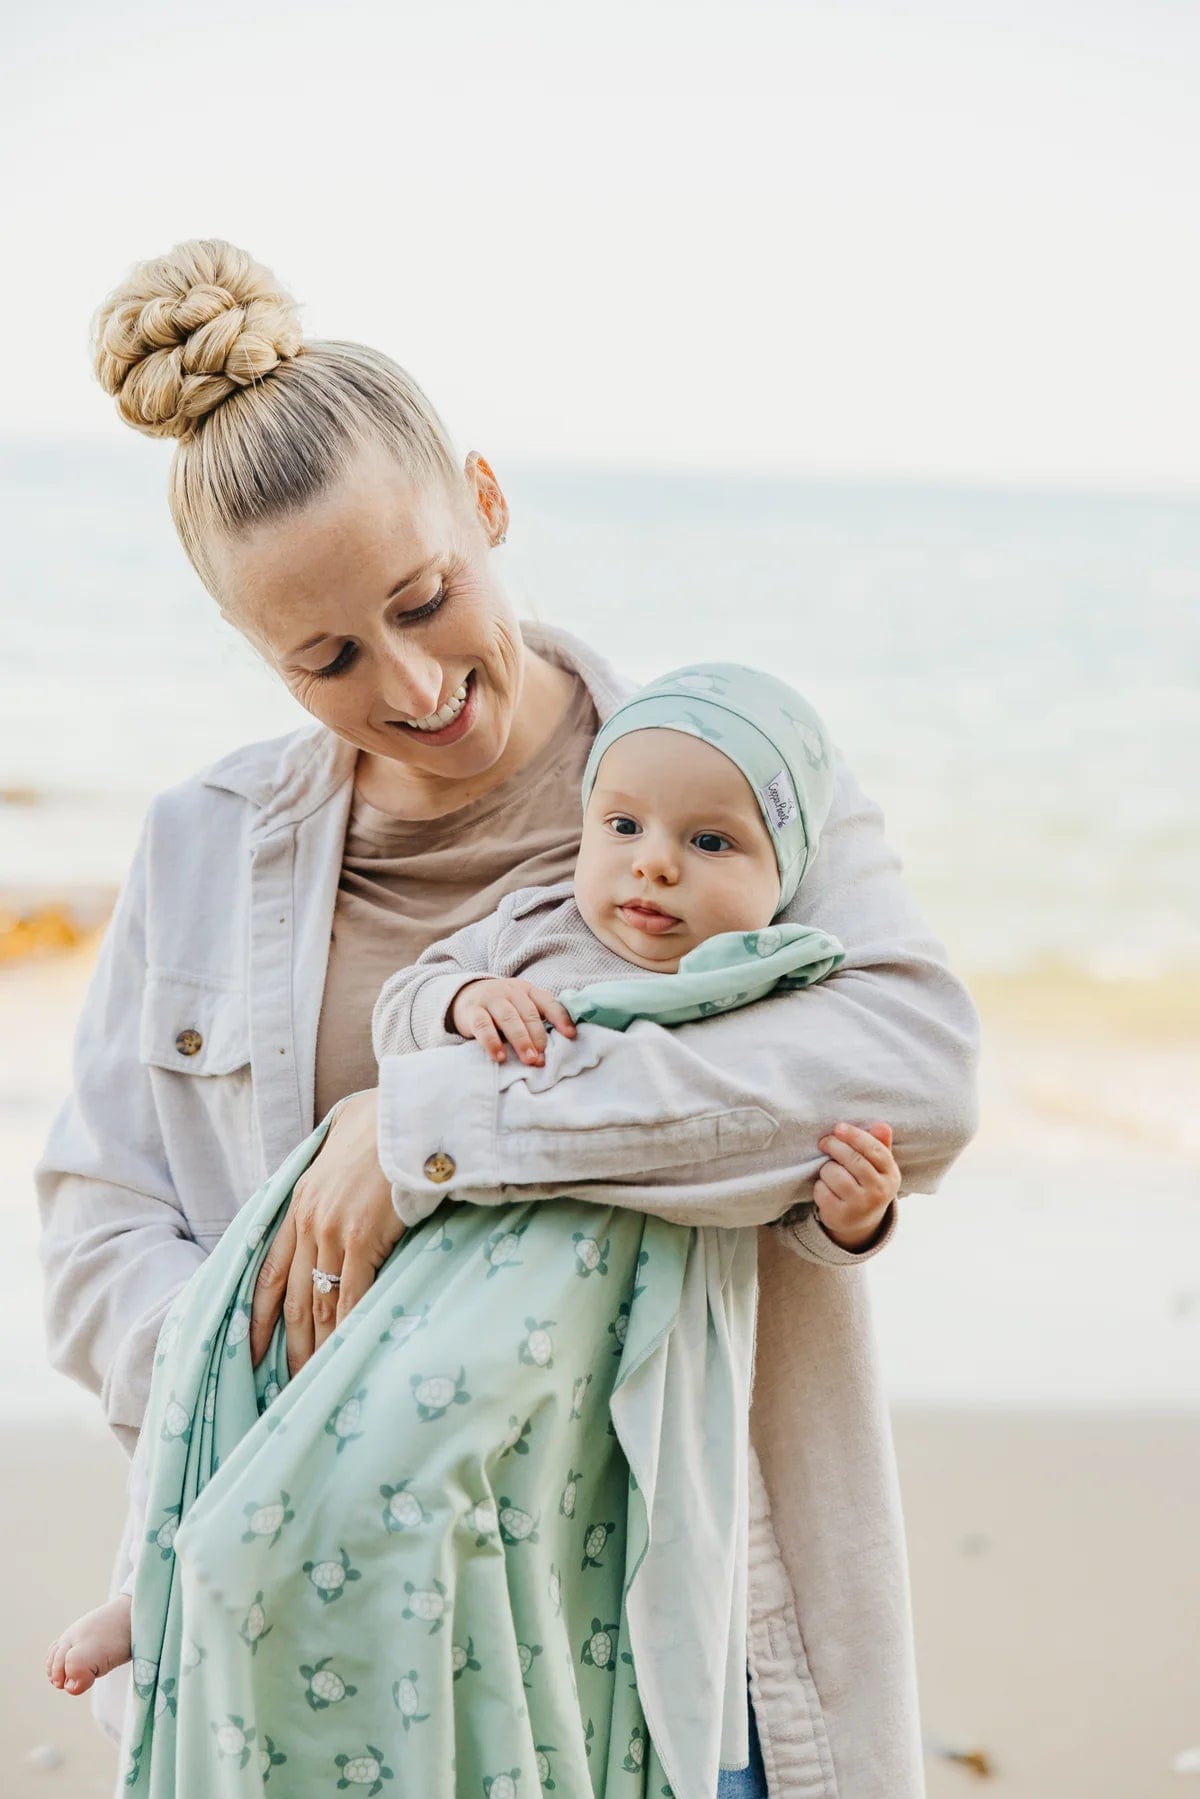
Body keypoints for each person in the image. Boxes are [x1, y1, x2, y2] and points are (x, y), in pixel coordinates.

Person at [34, 238, 980, 1799]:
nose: (413, 684)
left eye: (426, 599)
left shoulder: (724, 780)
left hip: (698, 1650)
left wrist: (427, 1125)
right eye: (328, 658)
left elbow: (915, 1069)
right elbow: (95, 1225)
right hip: (341, 1632)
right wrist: (297, 1400)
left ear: (484, 499)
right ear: (257, 651)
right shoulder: (200, 845)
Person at [44, 661, 903, 1799]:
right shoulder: (537, 927)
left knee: (421, 1486)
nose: (654, 864)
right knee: (296, 1401)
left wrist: (854, 1218)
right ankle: (162, 1586)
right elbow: (409, 1002)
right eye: (624, 827)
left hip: (599, 1336)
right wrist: (461, 1004)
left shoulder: (779, 984)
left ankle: (218, 1589)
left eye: (711, 844)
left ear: (787, 874)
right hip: (445, 1278)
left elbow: (785, 1169)